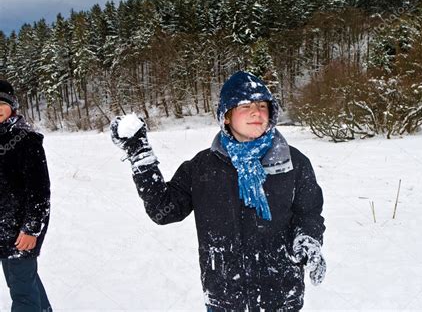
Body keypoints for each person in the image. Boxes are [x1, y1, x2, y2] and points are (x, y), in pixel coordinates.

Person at [111, 71, 326, 311]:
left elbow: (309, 214)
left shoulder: (294, 162)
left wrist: (308, 239)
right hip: (224, 298)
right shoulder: (202, 167)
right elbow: (163, 210)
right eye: (246, 105)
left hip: (281, 296)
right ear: (226, 116)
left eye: (262, 105)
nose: (257, 112)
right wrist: (141, 158)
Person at [0, 79, 52, 312]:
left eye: (1, 103)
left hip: (22, 230)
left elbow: (40, 190)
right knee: (22, 282)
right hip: (3, 229)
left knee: (21, 292)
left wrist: (31, 228)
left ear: (12, 106)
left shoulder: (26, 139)